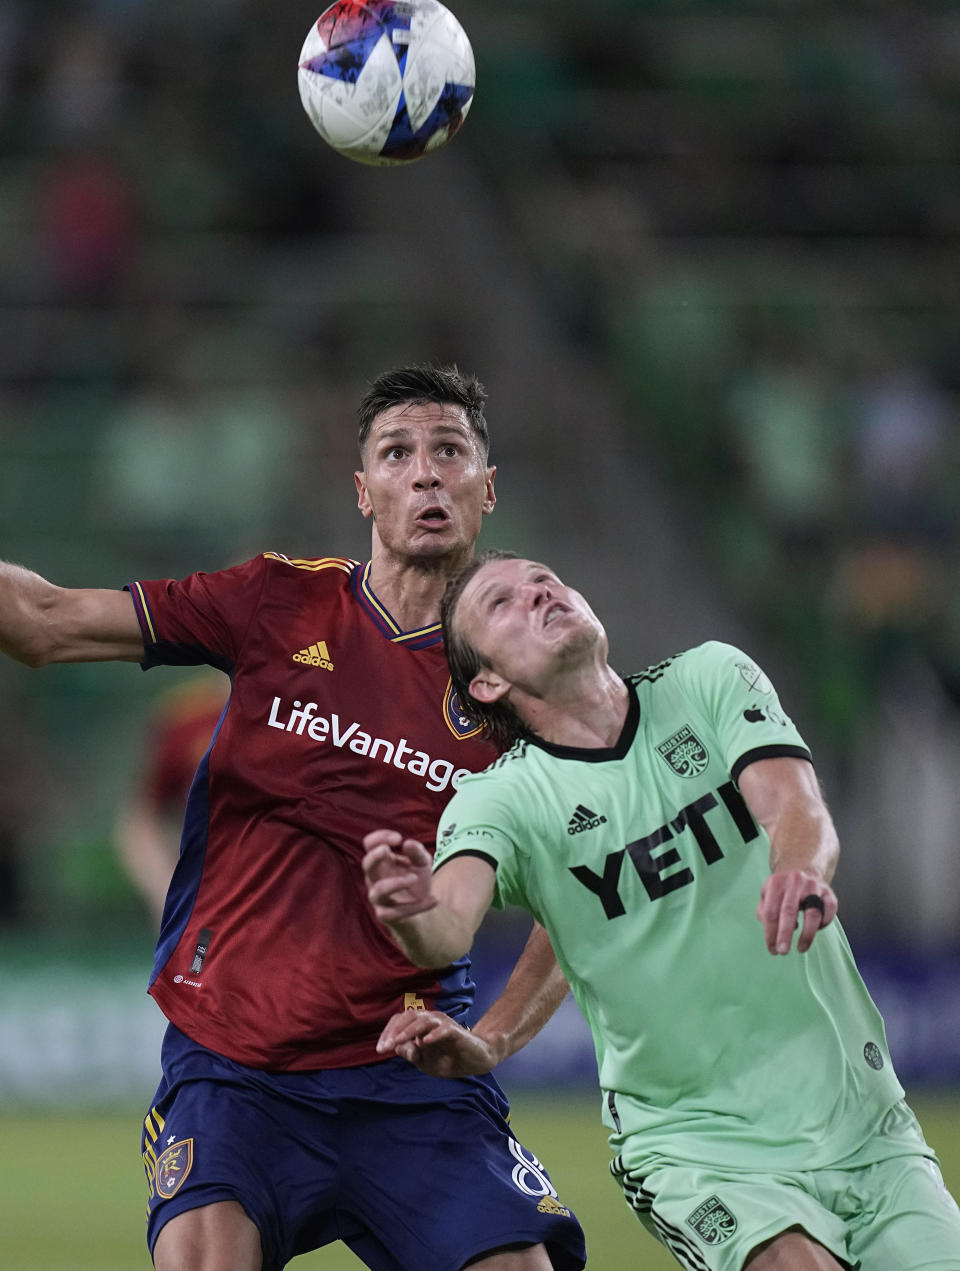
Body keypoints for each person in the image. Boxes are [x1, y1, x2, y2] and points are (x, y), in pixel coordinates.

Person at [0, 369, 586, 1271]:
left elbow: (574, 895)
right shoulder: (279, 601)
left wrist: (495, 1038)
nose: (425, 474)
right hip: (235, 1066)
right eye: (397, 453)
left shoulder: (526, 688)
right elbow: (43, 623)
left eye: (449, 452)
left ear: (487, 486)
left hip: (412, 1078)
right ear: (364, 493)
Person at [363, 549, 960, 1271]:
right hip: (697, 1144)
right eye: (502, 602)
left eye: (544, 578)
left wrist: (799, 870)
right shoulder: (502, 799)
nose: (540, 590)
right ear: (486, 679)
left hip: (865, 1120)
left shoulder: (708, 677)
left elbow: (795, 803)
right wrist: (412, 909)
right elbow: (447, 926)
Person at [116, 672, 229, 926]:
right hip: (212, 901)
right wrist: (165, 893)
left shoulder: (319, 713)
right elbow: (141, 820)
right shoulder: (183, 717)